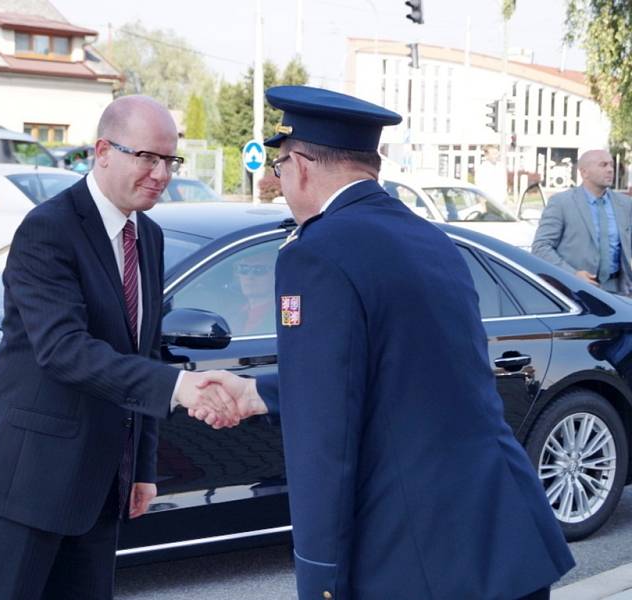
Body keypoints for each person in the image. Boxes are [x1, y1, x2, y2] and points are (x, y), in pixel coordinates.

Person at [196, 85, 575, 600]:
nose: (278, 182)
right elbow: (399, 370)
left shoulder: (316, 252)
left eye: (279, 168)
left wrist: (321, 575)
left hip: (416, 558)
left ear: (302, 165)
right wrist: (257, 392)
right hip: (504, 533)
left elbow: (323, 434)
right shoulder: (430, 238)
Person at [0, 95, 235, 600]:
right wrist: (180, 387)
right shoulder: (49, 229)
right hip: (28, 482)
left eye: (169, 160)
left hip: (101, 485)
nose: (161, 173)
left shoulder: (149, 237)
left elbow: (144, 352)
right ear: (103, 151)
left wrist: (142, 468)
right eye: (147, 157)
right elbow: (64, 349)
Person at [532, 149, 632, 295]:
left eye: (611, 165)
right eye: (603, 165)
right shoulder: (561, 203)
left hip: (619, 291)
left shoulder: (625, 204)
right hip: (573, 290)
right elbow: (541, 247)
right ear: (584, 172)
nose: (610, 170)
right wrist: (572, 274)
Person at [230, 247, 276, 335]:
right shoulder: (233, 311)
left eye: (259, 270)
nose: (249, 277)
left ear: (275, 274)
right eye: (243, 269)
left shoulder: (281, 315)